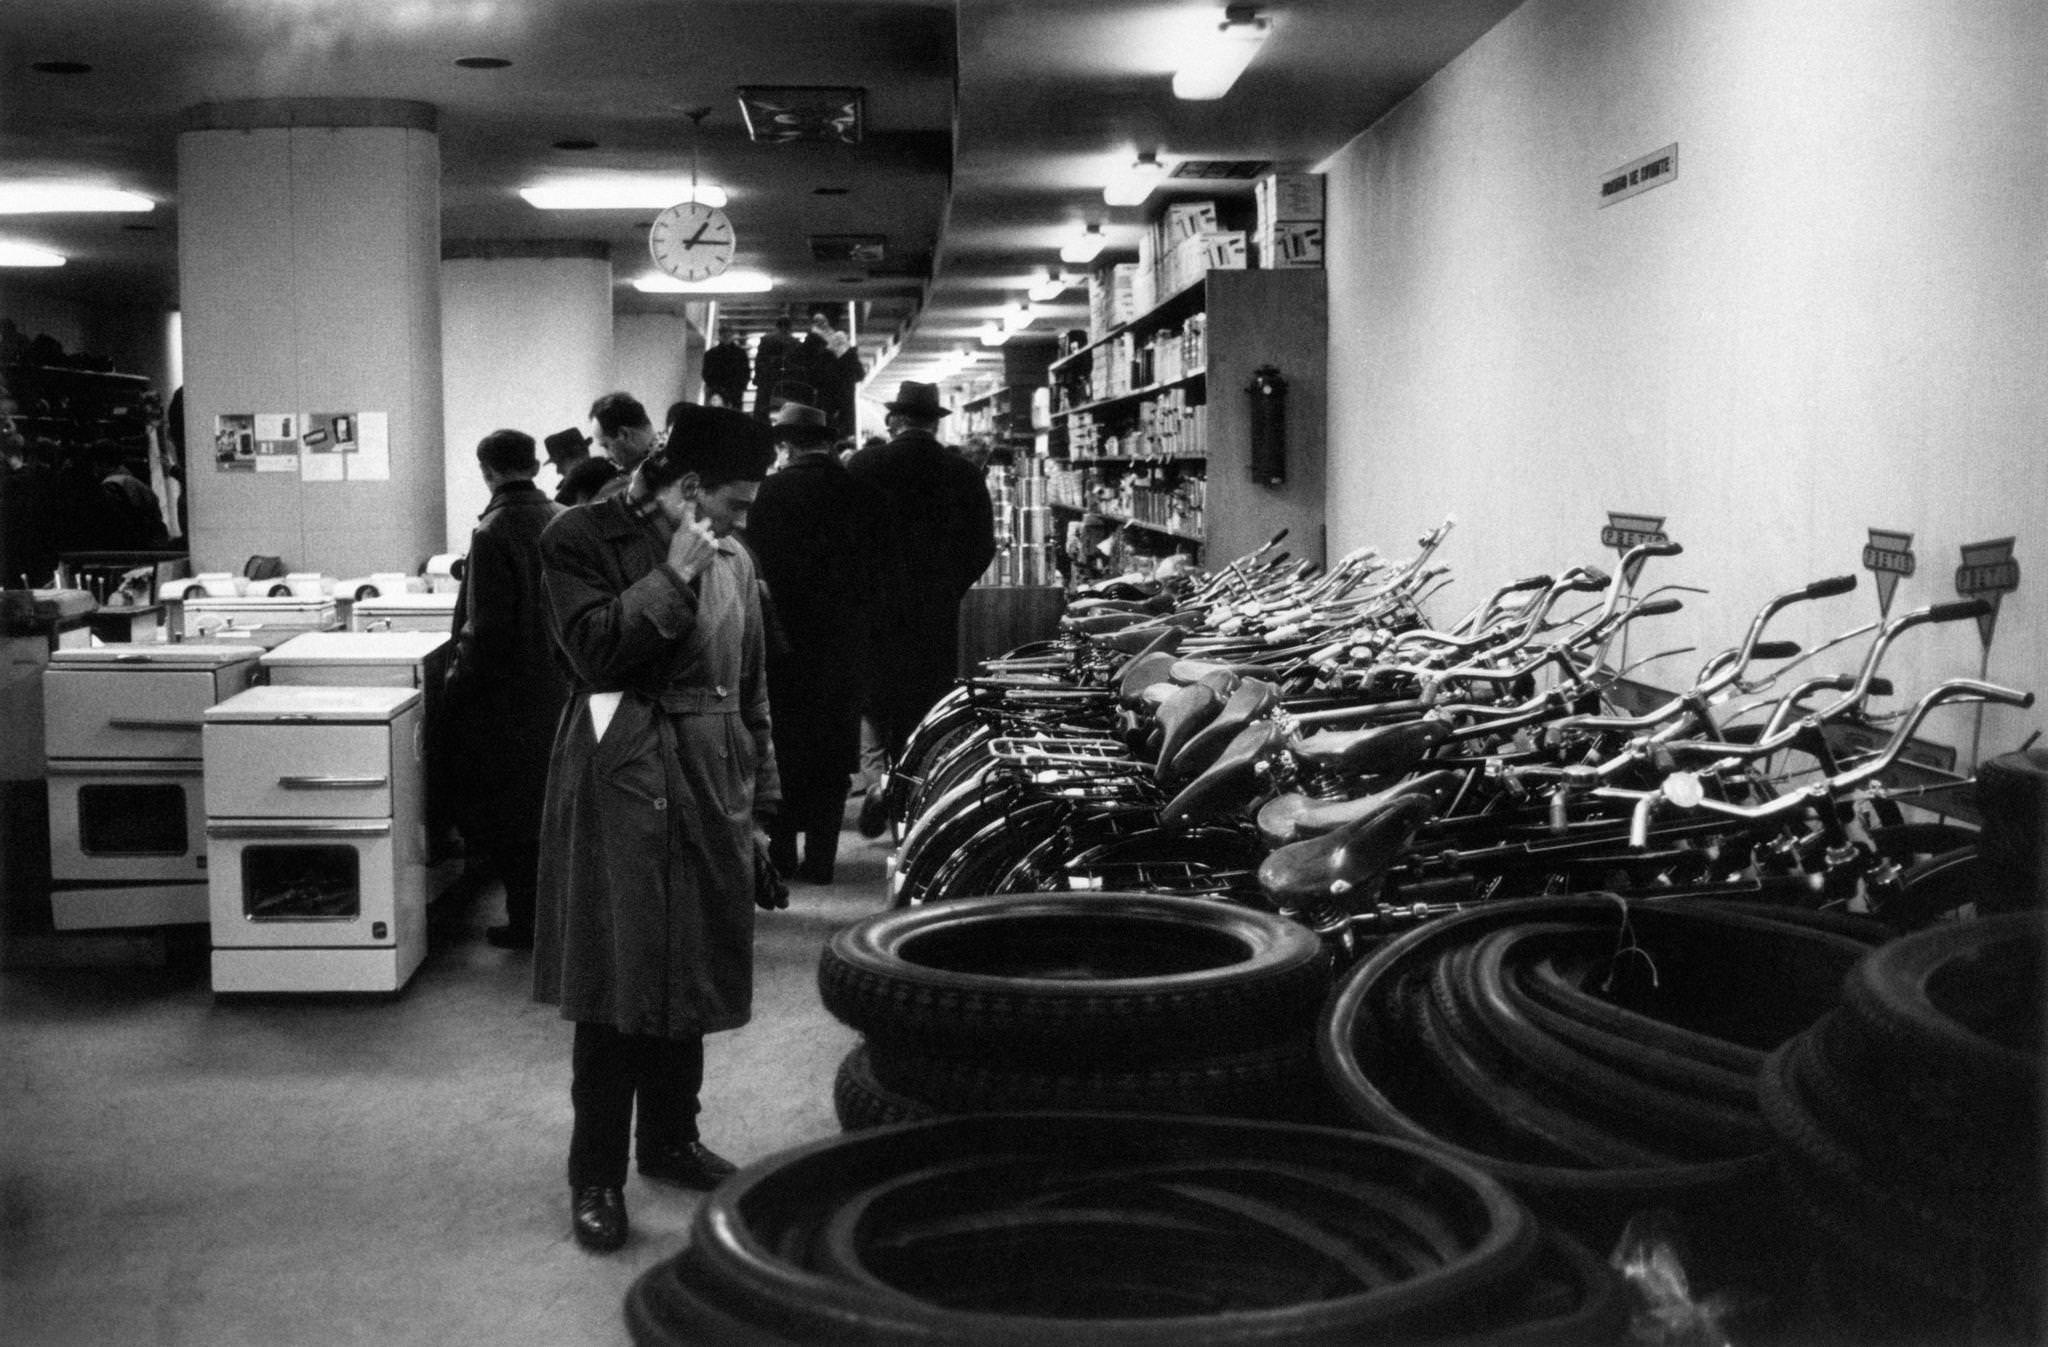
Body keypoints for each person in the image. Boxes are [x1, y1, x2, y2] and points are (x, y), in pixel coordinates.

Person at [532, 401, 782, 1255]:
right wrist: (670, 578)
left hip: (714, 773)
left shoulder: (738, 560)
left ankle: (671, 1138)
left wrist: (762, 811)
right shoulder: (578, 538)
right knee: (617, 976)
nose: (743, 519)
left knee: (693, 966)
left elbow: (751, 691)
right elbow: (592, 653)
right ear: (685, 487)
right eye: (736, 501)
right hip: (621, 769)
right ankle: (595, 1173)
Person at [846, 380, 997, 837]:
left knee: (878, 706)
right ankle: (913, 808)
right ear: (935, 422)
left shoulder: (865, 465)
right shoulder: (963, 472)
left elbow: (845, 538)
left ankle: (881, 786)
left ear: (896, 420)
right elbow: (982, 546)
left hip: (876, 611)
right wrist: (949, 586)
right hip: (934, 615)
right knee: (926, 713)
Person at [746, 402, 884, 883]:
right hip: (843, 644)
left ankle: (782, 854)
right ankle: (822, 860)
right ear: (826, 441)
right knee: (832, 754)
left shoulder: (769, 492)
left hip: (782, 644)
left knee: (783, 749)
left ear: (785, 444)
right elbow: (877, 571)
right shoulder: (861, 491)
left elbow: (753, 567)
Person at [444, 430, 570, 951]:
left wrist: (453, 688)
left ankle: (527, 923)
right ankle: (557, 918)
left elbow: (487, 629)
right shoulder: (563, 517)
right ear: (536, 464)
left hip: (510, 695)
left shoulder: (492, 531)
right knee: (554, 811)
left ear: (487, 470)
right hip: (564, 684)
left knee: (514, 819)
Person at [587, 392, 656, 499]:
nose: (608, 457)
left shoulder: (624, 489)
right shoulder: (680, 451)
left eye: (606, 446)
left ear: (624, 434)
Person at [544, 426, 617, 506]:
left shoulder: (573, 495)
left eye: (558, 464)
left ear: (577, 458)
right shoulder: (615, 476)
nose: (558, 471)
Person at [749, 319, 798, 421]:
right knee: (785, 410)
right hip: (785, 381)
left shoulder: (766, 339)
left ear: (777, 326)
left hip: (766, 379)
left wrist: (758, 379)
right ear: (789, 328)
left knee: (762, 410)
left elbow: (759, 361)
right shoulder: (794, 342)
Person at [702, 333, 751, 412]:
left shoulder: (711, 353)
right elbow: (745, 371)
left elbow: (706, 373)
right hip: (732, 388)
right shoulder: (740, 353)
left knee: (716, 414)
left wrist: (712, 386)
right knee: (733, 414)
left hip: (720, 388)